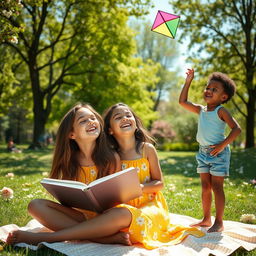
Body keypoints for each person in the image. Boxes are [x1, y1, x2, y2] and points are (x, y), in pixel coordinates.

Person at [6, 103, 134, 246]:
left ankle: (47, 238)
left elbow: (117, 198)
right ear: (71, 134)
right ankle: (101, 239)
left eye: (93, 118)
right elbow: (67, 200)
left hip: (107, 219)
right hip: (81, 217)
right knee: (35, 205)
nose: (91, 122)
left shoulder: (110, 157)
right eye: (83, 120)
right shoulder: (69, 161)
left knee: (123, 214)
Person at [102, 103, 204, 249]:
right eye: (118, 117)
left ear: (136, 124)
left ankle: (118, 235)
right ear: (110, 130)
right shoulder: (113, 156)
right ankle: (114, 235)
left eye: (128, 115)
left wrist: (139, 188)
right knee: (112, 219)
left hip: (150, 203)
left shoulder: (147, 149)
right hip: (125, 206)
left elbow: (159, 183)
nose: (125, 118)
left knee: (142, 220)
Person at [179, 69, 241, 233]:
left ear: (223, 97)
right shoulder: (201, 110)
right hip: (203, 153)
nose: (209, 90)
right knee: (205, 186)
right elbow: (183, 101)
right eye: (208, 87)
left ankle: (219, 222)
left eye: (215, 89)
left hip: (218, 153)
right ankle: (206, 219)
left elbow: (237, 129)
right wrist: (188, 81)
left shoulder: (221, 111)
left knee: (216, 187)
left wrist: (222, 145)